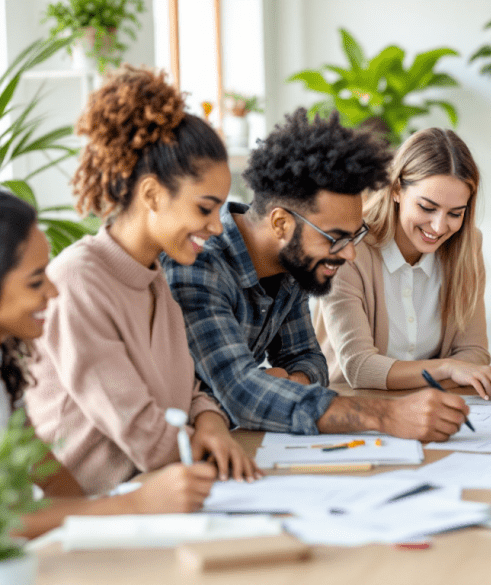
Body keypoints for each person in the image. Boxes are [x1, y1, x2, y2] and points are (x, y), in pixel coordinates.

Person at [163, 110, 470, 442]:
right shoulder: (197, 265)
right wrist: (388, 415)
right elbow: (240, 391)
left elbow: (310, 361)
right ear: (281, 223)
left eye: (353, 237)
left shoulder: (291, 266)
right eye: (335, 238)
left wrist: (290, 383)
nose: (349, 254)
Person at [24, 67, 257, 495]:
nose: (217, 227)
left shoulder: (154, 280)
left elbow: (188, 392)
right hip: (91, 517)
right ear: (151, 195)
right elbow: (145, 438)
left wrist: (211, 424)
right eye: (205, 209)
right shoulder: (78, 282)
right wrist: (208, 444)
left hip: (153, 494)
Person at [1, 191, 218, 539]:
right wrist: (131, 506)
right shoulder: (83, 279)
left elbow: (42, 466)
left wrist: (102, 520)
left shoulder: (7, 364)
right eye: (36, 281)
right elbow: (5, 521)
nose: (53, 293)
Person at [313, 128, 491, 401]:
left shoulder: (466, 246)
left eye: (455, 213)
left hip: (432, 406)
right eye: (427, 208)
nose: (439, 226)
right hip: (354, 408)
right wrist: (447, 369)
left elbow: (474, 353)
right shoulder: (350, 248)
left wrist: (450, 374)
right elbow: (359, 367)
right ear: (396, 190)